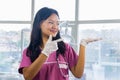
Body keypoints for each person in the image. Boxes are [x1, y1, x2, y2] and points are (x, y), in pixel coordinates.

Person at [18, 7, 102, 80]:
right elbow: (27, 77)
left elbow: (78, 74)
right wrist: (45, 53)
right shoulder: (29, 51)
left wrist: (83, 45)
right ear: (39, 24)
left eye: (57, 23)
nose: (55, 27)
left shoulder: (65, 48)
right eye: (51, 22)